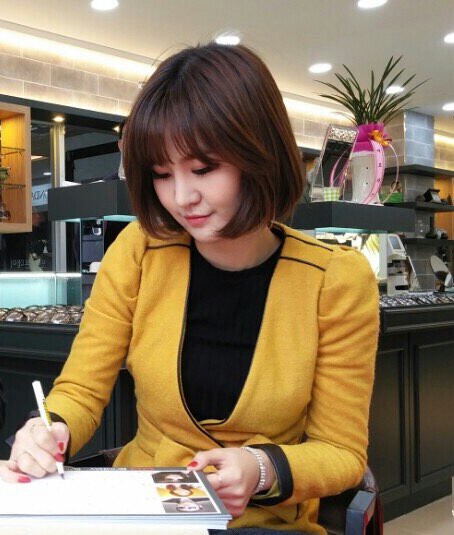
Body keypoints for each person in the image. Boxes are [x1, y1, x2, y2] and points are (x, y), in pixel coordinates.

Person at [0, 43, 379, 534]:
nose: (182, 197)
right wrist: (51, 427)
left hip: (262, 521)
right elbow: (82, 388)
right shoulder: (140, 251)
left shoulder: (335, 280)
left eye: (203, 169)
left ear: (261, 156)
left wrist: (262, 468)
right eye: (162, 174)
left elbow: (341, 452)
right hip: (143, 510)